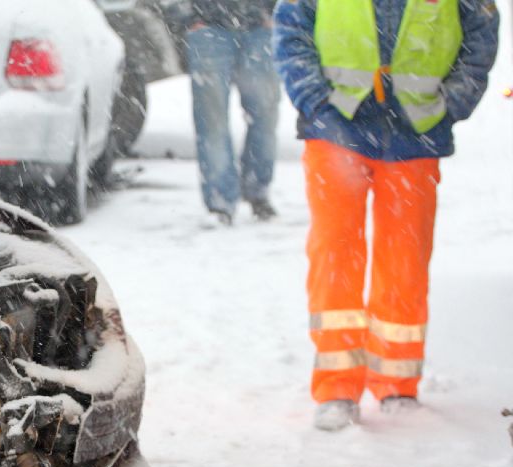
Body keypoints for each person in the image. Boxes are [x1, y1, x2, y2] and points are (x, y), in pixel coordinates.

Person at [273, 0, 499, 430]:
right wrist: (316, 102)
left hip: (417, 133)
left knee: (406, 261)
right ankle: (337, 388)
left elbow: (481, 33)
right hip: (336, 131)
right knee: (335, 256)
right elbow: (290, 30)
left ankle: (397, 382)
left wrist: (451, 102)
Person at [186, 0, 281, 226]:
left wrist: (276, 13)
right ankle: (220, 201)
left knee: (266, 118)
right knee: (212, 123)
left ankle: (258, 190)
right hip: (208, 28)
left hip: (261, 27)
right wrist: (188, 16)